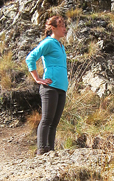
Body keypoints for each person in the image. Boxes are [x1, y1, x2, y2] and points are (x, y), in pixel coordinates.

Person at [25, 15, 68, 156]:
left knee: (54, 122)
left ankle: (50, 151)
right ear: (53, 28)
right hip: (50, 87)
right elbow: (30, 58)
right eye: (61, 26)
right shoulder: (48, 42)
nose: (64, 29)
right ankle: (42, 150)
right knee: (47, 119)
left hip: (61, 88)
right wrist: (37, 78)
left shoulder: (60, 45)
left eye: (64, 26)